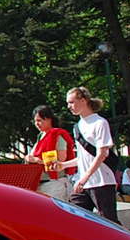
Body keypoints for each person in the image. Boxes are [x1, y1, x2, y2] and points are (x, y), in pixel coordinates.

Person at [65, 86, 119, 223]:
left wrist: (85, 177)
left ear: (83, 101)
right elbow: (83, 158)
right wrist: (62, 165)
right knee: (74, 218)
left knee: (110, 223)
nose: (69, 106)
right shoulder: (78, 126)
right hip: (85, 183)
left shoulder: (99, 123)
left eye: (71, 102)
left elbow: (101, 154)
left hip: (102, 181)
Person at [29, 105, 76, 200]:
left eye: (39, 120)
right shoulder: (41, 136)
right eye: (35, 121)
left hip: (55, 184)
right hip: (40, 184)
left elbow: (60, 160)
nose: (37, 124)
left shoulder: (57, 135)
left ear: (49, 120)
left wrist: (37, 160)